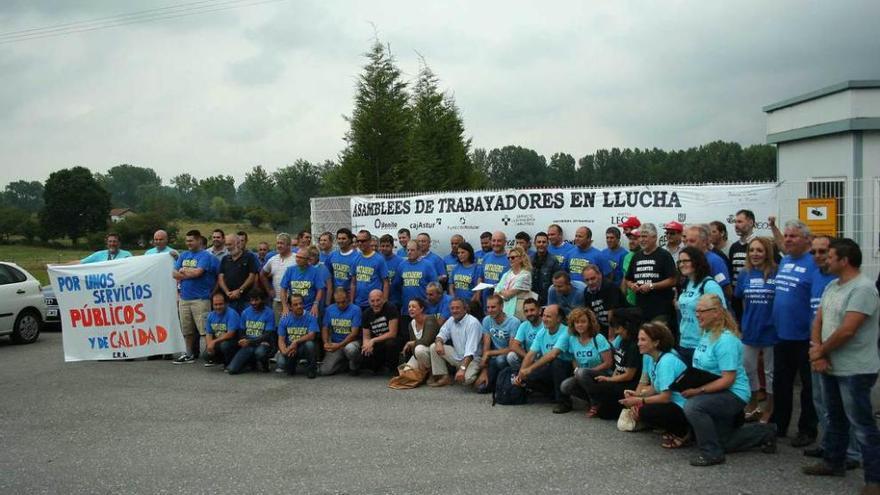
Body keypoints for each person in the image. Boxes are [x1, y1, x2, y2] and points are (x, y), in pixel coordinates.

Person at [804, 238, 879, 492]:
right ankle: (834, 461)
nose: (825, 259)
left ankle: (874, 480)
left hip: (855, 369)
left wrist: (820, 351)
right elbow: (819, 321)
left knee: (862, 425)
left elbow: (848, 330)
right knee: (834, 418)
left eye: (830, 256)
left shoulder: (863, 289)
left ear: (845, 261)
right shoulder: (833, 286)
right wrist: (819, 352)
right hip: (830, 365)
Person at [682, 294, 777, 467]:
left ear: (717, 313)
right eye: (696, 311)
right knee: (724, 441)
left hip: (733, 393)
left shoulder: (726, 340)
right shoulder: (706, 333)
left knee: (693, 406)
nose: (697, 314)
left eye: (702, 310)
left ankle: (711, 453)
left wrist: (698, 391)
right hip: (714, 391)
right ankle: (765, 432)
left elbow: (728, 379)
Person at [772, 220, 819, 447]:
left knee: (808, 389)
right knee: (781, 385)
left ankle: (807, 430)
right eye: (786, 236)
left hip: (805, 338)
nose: (788, 240)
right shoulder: (786, 260)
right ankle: (779, 426)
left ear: (807, 240)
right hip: (782, 335)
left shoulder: (815, 264)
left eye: (793, 236)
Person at [619, 322, 690, 448]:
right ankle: (674, 428)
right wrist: (637, 395)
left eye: (643, 340)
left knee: (645, 410)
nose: (638, 343)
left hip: (684, 405)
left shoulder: (667, 361)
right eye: (638, 339)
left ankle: (684, 431)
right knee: (639, 406)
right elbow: (655, 387)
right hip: (673, 403)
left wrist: (640, 400)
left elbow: (665, 397)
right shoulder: (653, 358)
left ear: (656, 342)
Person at [735, 237, 778, 424]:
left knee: (770, 373)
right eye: (752, 250)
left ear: (767, 252)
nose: (755, 254)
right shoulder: (745, 273)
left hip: (771, 330)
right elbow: (741, 299)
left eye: (759, 250)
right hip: (750, 329)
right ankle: (752, 404)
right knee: (748, 369)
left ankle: (769, 408)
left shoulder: (776, 272)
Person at [582, 307, 643, 419]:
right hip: (617, 379)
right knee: (596, 386)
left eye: (618, 328)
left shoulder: (634, 347)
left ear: (627, 326)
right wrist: (611, 380)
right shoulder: (622, 340)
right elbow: (618, 366)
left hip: (629, 383)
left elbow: (629, 375)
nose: (616, 331)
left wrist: (609, 380)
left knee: (604, 410)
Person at [513, 304, 573, 413]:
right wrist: (522, 373)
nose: (544, 319)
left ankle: (564, 402)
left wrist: (530, 369)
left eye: (548, 316)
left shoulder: (566, 332)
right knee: (524, 375)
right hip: (549, 367)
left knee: (556, 362)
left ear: (559, 319)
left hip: (566, 369)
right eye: (544, 316)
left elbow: (552, 354)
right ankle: (552, 394)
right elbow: (531, 354)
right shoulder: (542, 332)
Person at [624, 223, 678, 336]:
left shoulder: (664, 255)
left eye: (645, 236)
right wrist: (631, 285)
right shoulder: (636, 256)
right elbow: (628, 279)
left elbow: (673, 280)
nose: (641, 240)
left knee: (657, 340)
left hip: (661, 310)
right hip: (640, 309)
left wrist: (652, 286)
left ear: (654, 237)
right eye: (640, 237)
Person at [557, 307, 613, 414]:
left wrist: (587, 372)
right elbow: (574, 358)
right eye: (577, 322)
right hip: (583, 375)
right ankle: (592, 399)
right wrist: (576, 371)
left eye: (583, 322)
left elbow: (608, 363)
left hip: (602, 374)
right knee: (565, 386)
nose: (580, 325)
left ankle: (595, 402)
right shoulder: (573, 339)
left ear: (590, 323)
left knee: (582, 372)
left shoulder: (598, 338)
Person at [676, 246, 727, 366]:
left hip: (702, 343)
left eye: (685, 261)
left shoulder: (709, 285)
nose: (682, 264)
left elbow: (722, 313)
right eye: (679, 262)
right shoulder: (687, 283)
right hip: (684, 343)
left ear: (696, 261)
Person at [172, 230, 214, 364]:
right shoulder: (184, 255)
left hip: (200, 299)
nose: (188, 243)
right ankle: (188, 354)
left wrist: (184, 271)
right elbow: (174, 274)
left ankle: (211, 355)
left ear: (198, 241)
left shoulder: (205, 256)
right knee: (187, 330)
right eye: (187, 241)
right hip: (184, 298)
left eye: (191, 240)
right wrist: (187, 273)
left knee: (204, 330)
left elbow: (199, 272)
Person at [427, 298, 483, 387]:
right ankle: (445, 377)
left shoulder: (473, 323)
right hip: (458, 356)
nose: (454, 311)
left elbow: (470, 351)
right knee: (434, 347)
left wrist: (463, 369)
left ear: (465, 309)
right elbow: (441, 334)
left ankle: (479, 372)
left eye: (457, 308)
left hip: (472, 360)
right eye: (452, 308)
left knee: (466, 380)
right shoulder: (451, 320)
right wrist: (439, 342)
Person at [476, 294, 520, 393]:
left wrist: (489, 354)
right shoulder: (487, 320)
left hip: (508, 355)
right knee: (480, 388)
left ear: (501, 306)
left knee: (500, 360)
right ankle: (491, 382)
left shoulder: (514, 322)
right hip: (494, 354)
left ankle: (504, 382)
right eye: (488, 307)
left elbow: (512, 348)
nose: (490, 310)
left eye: (493, 307)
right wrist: (484, 370)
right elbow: (486, 345)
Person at [226, 289, 276, 374]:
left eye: (256, 300)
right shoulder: (245, 312)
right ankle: (250, 362)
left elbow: (268, 334)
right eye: (251, 300)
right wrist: (245, 341)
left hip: (263, 344)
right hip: (249, 344)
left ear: (263, 300)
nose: (253, 303)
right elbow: (241, 332)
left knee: (260, 352)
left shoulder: (269, 313)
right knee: (232, 370)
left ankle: (265, 365)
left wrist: (250, 341)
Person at [320, 287, 362, 376]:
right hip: (335, 343)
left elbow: (354, 333)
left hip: (351, 342)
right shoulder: (329, 309)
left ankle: (355, 365)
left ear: (348, 298)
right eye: (337, 302)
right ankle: (344, 363)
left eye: (343, 302)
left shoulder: (356, 309)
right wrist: (326, 342)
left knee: (350, 349)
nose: (340, 305)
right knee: (325, 371)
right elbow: (325, 328)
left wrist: (339, 345)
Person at [684, 224, 732, 299]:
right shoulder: (689, 261)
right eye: (686, 241)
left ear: (704, 242)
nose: (687, 244)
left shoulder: (715, 261)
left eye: (692, 241)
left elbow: (726, 291)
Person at [394, 240, 438, 322]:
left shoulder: (427, 265)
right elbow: (397, 285)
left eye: (412, 250)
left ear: (419, 251)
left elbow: (435, 286)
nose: (409, 252)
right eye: (408, 250)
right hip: (407, 310)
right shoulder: (402, 265)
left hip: (424, 310)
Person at [276, 293, 318, 378]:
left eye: (300, 303)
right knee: (281, 363)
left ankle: (311, 370)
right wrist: (285, 351)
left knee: (310, 344)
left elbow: (312, 335)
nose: (299, 306)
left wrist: (296, 342)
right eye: (295, 304)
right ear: (290, 306)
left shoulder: (311, 316)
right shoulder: (284, 319)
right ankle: (292, 365)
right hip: (291, 348)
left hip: (304, 347)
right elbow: (281, 340)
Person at [360, 289, 400, 375]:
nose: (375, 304)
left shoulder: (391, 308)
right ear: (369, 301)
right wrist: (366, 345)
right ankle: (376, 366)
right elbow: (366, 337)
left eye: (378, 300)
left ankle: (392, 368)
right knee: (363, 353)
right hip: (377, 343)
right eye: (372, 301)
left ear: (383, 299)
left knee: (391, 343)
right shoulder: (366, 314)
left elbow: (392, 333)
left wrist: (373, 340)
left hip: (390, 340)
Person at [217, 233, 259, 313]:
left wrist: (240, 290)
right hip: (229, 299)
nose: (228, 247)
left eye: (230, 244)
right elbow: (220, 277)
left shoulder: (249, 257)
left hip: (245, 299)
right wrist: (227, 292)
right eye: (226, 245)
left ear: (238, 243)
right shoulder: (225, 259)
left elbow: (252, 276)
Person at [260, 233, 296, 322]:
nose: (279, 246)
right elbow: (262, 274)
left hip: (293, 300)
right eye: (278, 243)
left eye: (282, 243)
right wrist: (269, 290)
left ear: (288, 245)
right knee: (278, 328)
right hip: (277, 300)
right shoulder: (272, 260)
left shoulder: (296, 259)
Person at [279, 249, 324, 318]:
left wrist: (315, 305)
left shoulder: (315, 271)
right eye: (297, 256)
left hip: (309, 308)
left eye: (301, 257)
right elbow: (283, 289)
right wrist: (285, 306)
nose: (297, 259)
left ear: (307, 259)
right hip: (293, 308)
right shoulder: (290, 270)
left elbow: (320, 289)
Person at [352, 229, 389, 309]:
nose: (360, 243)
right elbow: (353, 283)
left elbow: (386, 283)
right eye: (358, 241)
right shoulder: (355, 258)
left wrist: (385, 302)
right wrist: (352, 302)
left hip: (374, 304)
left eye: (363, 241)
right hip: (358, 303)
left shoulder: (379, 259)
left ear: (370, 241)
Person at [401, 298, 440, 372]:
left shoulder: (430, 319)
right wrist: (418, 360)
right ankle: (424, 370)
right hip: (419, 354)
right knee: (406, 372)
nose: (410, 309)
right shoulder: (411, 324)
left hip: (432, 352)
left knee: (419, 349)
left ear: (421, 309)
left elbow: (427, 341)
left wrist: (411, 343)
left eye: (413, 307)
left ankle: (431, 371)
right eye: (409, 307)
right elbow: (413, 348)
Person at [582, 264, 623, 334]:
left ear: (600, 275)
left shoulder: (610, 287)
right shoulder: (587, 292)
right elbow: (591, 314)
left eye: (593, 278)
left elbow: (612, 313)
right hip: (602, 326)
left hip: (619, 325)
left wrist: (611, 338)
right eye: (587, 280)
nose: (590, 282)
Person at [203, 291, 240, 368]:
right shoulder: (210, 315)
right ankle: (221, 360)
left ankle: (229, 363)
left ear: (226, 303)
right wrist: (209, 345)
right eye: (215, 305)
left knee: (224, 345)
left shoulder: (231, 313)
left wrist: (214, 341)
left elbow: (231, 334)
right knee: (206, 355)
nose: (218, 307)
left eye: (220, 304)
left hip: (233, 341)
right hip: (219, 341)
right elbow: (209, 333)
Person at [495, 246, 532, 319]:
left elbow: (508, 294)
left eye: (513, 257)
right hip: (503, 310)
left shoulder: (525, 275)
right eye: (509, 258)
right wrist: (502, 292)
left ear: (521, 258)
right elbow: (495, 293)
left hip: (517, 312)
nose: (510, 260)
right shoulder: (506, 274)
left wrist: (501, 291)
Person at [507, 298, 543, 372]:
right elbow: (514, 345)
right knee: (511, 356)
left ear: (539, 311)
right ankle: (519, 376)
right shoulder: (524, 325)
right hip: (529, 357)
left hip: (543, 358)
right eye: (526, 311)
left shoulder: (546, 324)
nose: (529, 313)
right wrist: (528, 357)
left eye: (532, 310)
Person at [327, 228, 360, 300]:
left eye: (343, 238)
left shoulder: (357, 257)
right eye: (339, 239)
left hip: (350, 297)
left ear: (350, 240)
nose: (341, 241)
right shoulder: (332, 255)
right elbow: (328, 276)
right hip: (335, 296)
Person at [530, 232, 561, 306]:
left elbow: (556, 283)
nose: (541, 244)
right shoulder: (529, 260)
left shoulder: (553, 260)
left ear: (548, 244)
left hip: (547, 300)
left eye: (544, 242)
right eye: (539, 242)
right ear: (535, 244)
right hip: (532, 299)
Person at [479, 231, 511, 301]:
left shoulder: (511, 258)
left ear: (505, 242)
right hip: (486, 300)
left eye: (499, 241)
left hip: (503, 300)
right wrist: (478, 295)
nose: (496, 243)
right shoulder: (486, 257)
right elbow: (481, 277)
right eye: (494, 241)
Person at [379, 234, 404, 310]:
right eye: (382, 246)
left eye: (387, 246)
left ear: (392, 246)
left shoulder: (400, 261)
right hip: (378, 302)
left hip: (396, 301)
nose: (385, 248)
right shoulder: (377, 260)